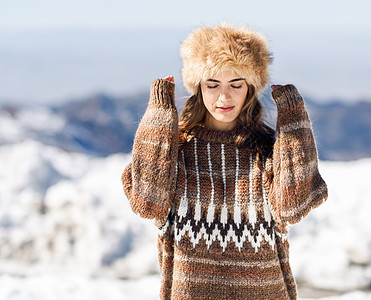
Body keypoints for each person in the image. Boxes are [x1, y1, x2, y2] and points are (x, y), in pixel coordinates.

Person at [121, 24, 328, 300]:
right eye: (213, 84)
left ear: (250, 88)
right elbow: (148, 202)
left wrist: (293, 120)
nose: (224, 97)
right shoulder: (178, 151)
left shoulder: (266, 151)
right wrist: (159, 113)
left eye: (236, 84)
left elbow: (294, 206)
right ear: (198, 87)